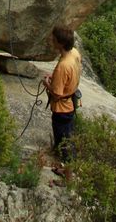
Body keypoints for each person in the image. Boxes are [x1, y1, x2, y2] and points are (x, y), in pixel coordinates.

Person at [44, 25, 82, 163]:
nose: (51, 41)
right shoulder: (74, 53)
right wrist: (55, 78)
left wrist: (47, 84)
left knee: (63, 141)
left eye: (54, 39)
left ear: (61, 43)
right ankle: (66, 165)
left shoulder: (63, 66)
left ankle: (66, 171)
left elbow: (56, 95)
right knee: (68, 136)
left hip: (62, 108)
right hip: (71, 101)